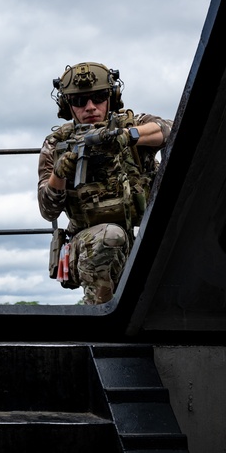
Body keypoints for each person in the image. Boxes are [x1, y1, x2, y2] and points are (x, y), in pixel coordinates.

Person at [38, 62, 172, 304]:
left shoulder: (132, 125)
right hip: (90, 242)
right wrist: (59, 173)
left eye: (99, 98)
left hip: (141, 233)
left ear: (112, 97)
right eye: (80, 101)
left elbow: (170, 129)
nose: (90, 107)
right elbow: (48, 211)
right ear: (67, 105)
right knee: (110, 235)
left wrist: (129, 137)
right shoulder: (56, 144)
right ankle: (99, 315)